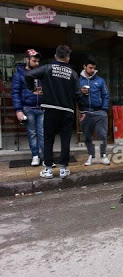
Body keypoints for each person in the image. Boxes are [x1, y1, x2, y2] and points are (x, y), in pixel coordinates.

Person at [25, 45, 85, 179]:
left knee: (48, 139)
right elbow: (78, 94)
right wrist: (82, 110)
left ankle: (48, 169)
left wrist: (32, 88)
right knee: (65, 140)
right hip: (67, 111)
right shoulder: (73, 74)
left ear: (55, 56)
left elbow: (29, 75)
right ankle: (63, 169)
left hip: (50, 109)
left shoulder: (47, 68)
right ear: (68, 58)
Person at [11, 49, 43, 166]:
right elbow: (15, 93)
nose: (37, 63)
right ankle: (35, 155)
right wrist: (18, 110)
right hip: (28, 108)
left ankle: (44, 156)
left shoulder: (41, 72)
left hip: (42, 107)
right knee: (32, 133)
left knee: (43, 133)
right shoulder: (19, 74)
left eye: (38, 61)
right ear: (27, 60)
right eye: (34, 61)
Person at [79, 55, 110, 166]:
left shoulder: (100, 81)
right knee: (87, 136)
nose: (92, 70)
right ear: (84, 67)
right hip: (85, 112)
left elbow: (106, 95)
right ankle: (91, 156)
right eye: (90, 68)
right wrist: (80, 93)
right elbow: (74, 96)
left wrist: (104, 110)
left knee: (102, 135)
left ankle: (102, 155)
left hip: (99, 112)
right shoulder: (79, 81)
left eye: (94, 68)